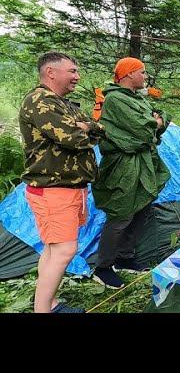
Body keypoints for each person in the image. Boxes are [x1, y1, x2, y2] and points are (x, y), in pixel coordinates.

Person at [19, 51, 105, 313]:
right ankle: (43, 310)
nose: (77, 77)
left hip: (67, 188)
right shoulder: (40, 101)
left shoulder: (62, 103)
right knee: (65, 250)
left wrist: (87, 126)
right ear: (51, 72)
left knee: (54, 249)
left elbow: (96, 128)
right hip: (52, 188)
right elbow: (73, 138)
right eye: (72, 71)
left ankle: (48, 303)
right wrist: (84, 129)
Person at [91, 57, 171, 289]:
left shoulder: (136, 98)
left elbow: (156, 122)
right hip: (123, 166)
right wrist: (155, 123)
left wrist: (156, 122)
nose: (145, 77)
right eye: (142, 72)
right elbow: (144, 129)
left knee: (140, 209)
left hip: (143, 163)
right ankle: (103, 267)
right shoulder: (116, 99)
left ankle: (124, 258)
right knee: (121, 214)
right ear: (128, 74)